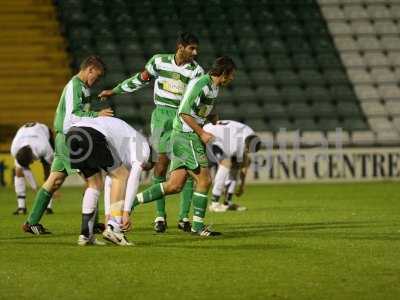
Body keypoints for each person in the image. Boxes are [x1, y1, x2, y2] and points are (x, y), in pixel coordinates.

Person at [99, 32, 204, 233]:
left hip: (181, 117)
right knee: (161, 164)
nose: (195, 52)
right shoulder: (159, 61)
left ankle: (183, 217)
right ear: (180, 46)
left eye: (196, 49)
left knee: (186, 167)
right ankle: (159, 216)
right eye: (191, 48)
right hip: (161, 117)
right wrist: (115, 90)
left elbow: (197, 99)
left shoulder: (196, 71)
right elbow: (141, 79)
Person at [129, 57, 236, 236]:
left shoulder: (213, 87)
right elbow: (184, 112)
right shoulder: (201, 84)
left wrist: (211, 116)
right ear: (224, 73)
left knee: (174, 185)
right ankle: (198, 227)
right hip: (187, 136)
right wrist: (201, 133)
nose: (232, 78)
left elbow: (197, 110)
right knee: (204, 180)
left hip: (183, 136)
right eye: (231, 75)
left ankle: (130, 203)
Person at [22, 55, 113, 235]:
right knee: (93, 180)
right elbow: (70, 118)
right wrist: (97, 116)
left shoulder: (84, 88)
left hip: (67, 139)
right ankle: (90, 223)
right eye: (97, 76)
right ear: (90, 69)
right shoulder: (74, 86)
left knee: (54, 180)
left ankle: (31, 222)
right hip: (69, 140)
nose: (97, 81)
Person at [67, 116, 151, 246]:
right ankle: (115, 229)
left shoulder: (124, 144)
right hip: (92, 134)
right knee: (122, 175)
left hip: (73, 134)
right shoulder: (144, 147)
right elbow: (132, 178)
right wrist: (126, 212)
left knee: (94, 184)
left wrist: (108, 215)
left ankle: (86, 235)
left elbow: (109, 180)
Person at [204, 120, 261, 212]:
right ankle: (214, 204)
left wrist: (242, 185)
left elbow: (245, 163)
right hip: (209, 134)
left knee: (237, 165)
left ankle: (227, 203)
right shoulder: (233, 145)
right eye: (248, 150)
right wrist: (223, 185)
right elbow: (228, 162)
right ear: (246, 146)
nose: (248, 152)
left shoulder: (251, 135)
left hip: (225, 133)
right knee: (226, 164)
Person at [10, 122, 55, 215]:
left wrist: (54, 187)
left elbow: (50, 169)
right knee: (18, 171)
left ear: (32, 157)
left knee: (49, 173)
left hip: (44, 132)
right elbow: (25, 169)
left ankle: (48, 206)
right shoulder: (15, 149)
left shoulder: (44, 147)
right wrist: (35, 187)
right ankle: (21, 207)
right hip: (24, 132)